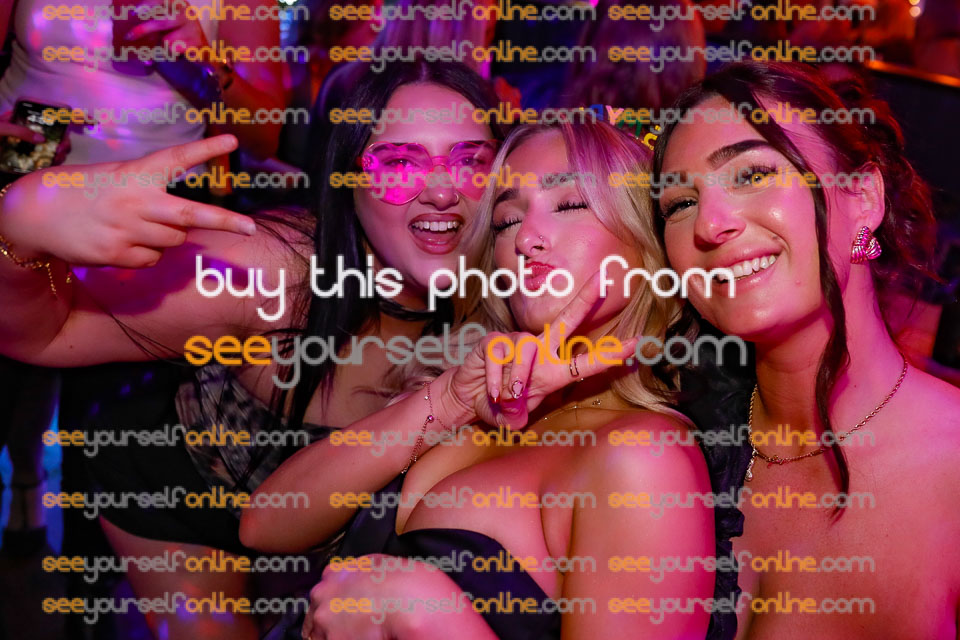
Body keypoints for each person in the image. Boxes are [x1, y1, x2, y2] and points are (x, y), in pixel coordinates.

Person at [0, 60, 505, 638]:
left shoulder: (518, 294)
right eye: (398, 163)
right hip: (180, 489)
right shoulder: (266, 274)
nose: (441, 191)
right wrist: (20, 226)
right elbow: (43, 334)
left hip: (316, 533)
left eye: (471, 161)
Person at [242, 120, 728, 639]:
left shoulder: (644, 457)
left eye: (569, 204)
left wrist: (428, 614)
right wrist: (449, 398)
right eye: (506, 221)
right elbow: (265, 525)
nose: (526, 239)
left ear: (648, 245)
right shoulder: (467, 402)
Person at [652, 61, 960, 638]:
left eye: (752, 174)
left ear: (863, 198)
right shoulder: (673, 448)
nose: (710, 224)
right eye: (679, 204)